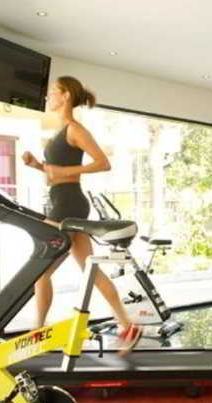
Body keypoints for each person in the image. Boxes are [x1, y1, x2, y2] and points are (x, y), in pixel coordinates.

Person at [22, 76, 140, 354]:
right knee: (90, 270)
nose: (49, 96)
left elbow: (103, 163)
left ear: (65, 96)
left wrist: (65, 171)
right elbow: (55, 174)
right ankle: (127, 325)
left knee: (41, 271)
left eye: (53, 92)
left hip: (67, 204)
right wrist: (38, 166)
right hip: (64, 200)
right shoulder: (61, 131)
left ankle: (37, 333)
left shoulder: (74, 129)